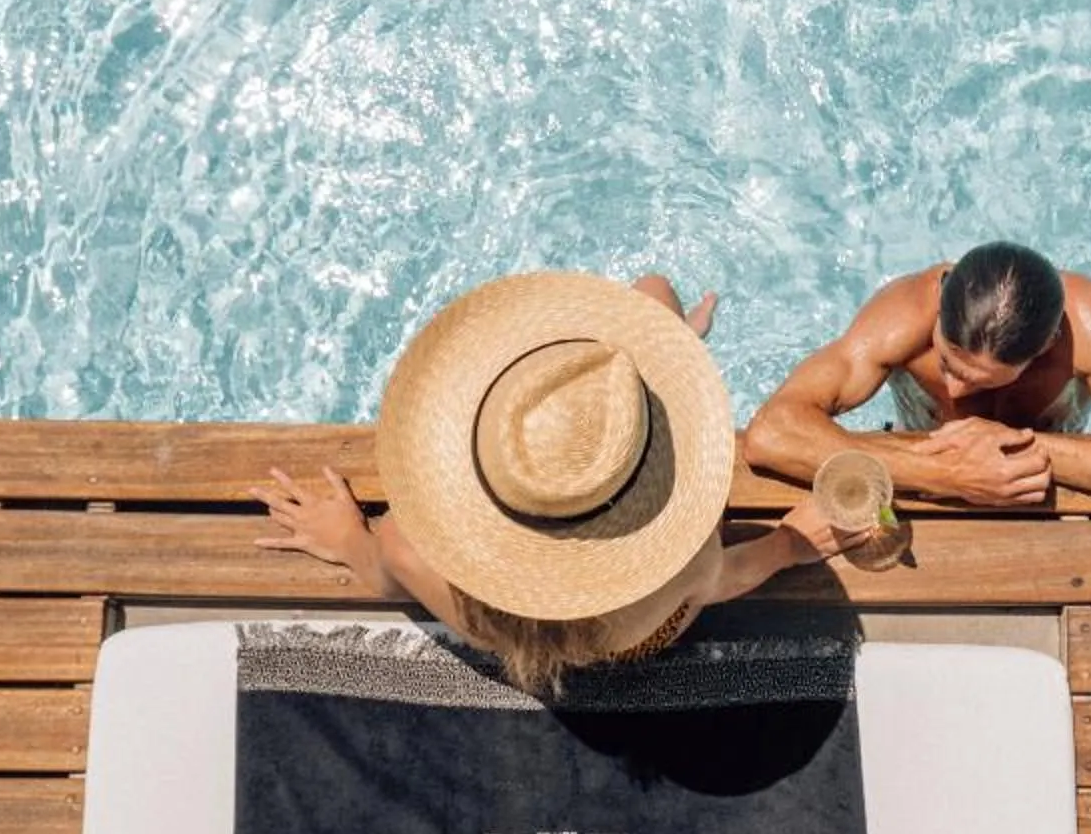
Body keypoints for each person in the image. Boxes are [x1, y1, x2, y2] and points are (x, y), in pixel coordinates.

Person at [254, 271, 849, 697]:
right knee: (652, 291)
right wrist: (788, 546)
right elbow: (721, 579)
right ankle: (660, 363)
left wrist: (352, 542)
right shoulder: (684, 560)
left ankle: (656, 359)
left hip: (516, 643)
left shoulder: (426, 556)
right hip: (638, 635)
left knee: (648, 299)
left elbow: (388, 570)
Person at [741, 242, 1091, 508]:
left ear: (1046, 347)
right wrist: (945, 472)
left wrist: (1022, 448)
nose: (954, 390)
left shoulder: (1085, 327)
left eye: (986, 381)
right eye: (948, 364)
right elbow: (773, 434)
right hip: (921, 473)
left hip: (1050, 484)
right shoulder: (904, 314)